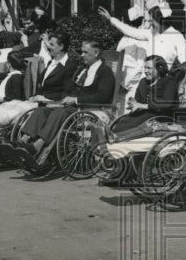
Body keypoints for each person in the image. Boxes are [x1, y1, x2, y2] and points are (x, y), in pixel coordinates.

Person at [16, 39, 116, 168]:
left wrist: (76, 100)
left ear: (96, 53)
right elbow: (70, 89)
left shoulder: (104, 71)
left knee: (59, 113)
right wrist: (64, 97)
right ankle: (22, 142)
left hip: (90, 109)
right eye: (81, 52)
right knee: (41, 111)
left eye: (85, 52)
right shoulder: (83, 70)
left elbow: (103, 96)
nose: (82, 55)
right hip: (72, 107)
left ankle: (38, 145)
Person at [111, 54, 182, 140]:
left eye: (149, 68)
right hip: (146, 114)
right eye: (145, 68)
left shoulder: (169, 83)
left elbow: (166, 103)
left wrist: (141, 105)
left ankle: (117, 137)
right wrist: (133, 103)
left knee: (136, 124)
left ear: (159, 69)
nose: (145, 71)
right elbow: (138, 101)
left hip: (163, 117)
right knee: (125, 120)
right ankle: (111, 133)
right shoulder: (143, 82)